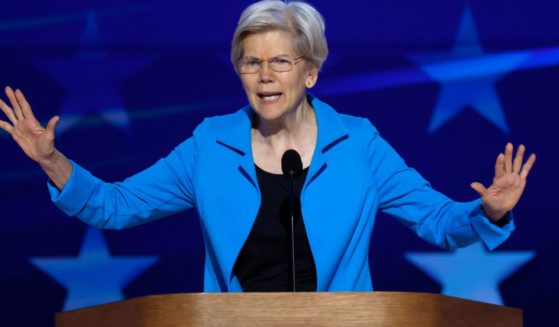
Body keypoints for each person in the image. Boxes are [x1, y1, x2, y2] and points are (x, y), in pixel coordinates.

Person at [0, 0, 536, 292]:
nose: (264, 75)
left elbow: (440, 222)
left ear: (311, 73)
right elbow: (116, 207)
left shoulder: (359, 144)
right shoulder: (210, 145)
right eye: (251, 61)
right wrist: (51, 159)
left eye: (281, 61)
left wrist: (486, 213)